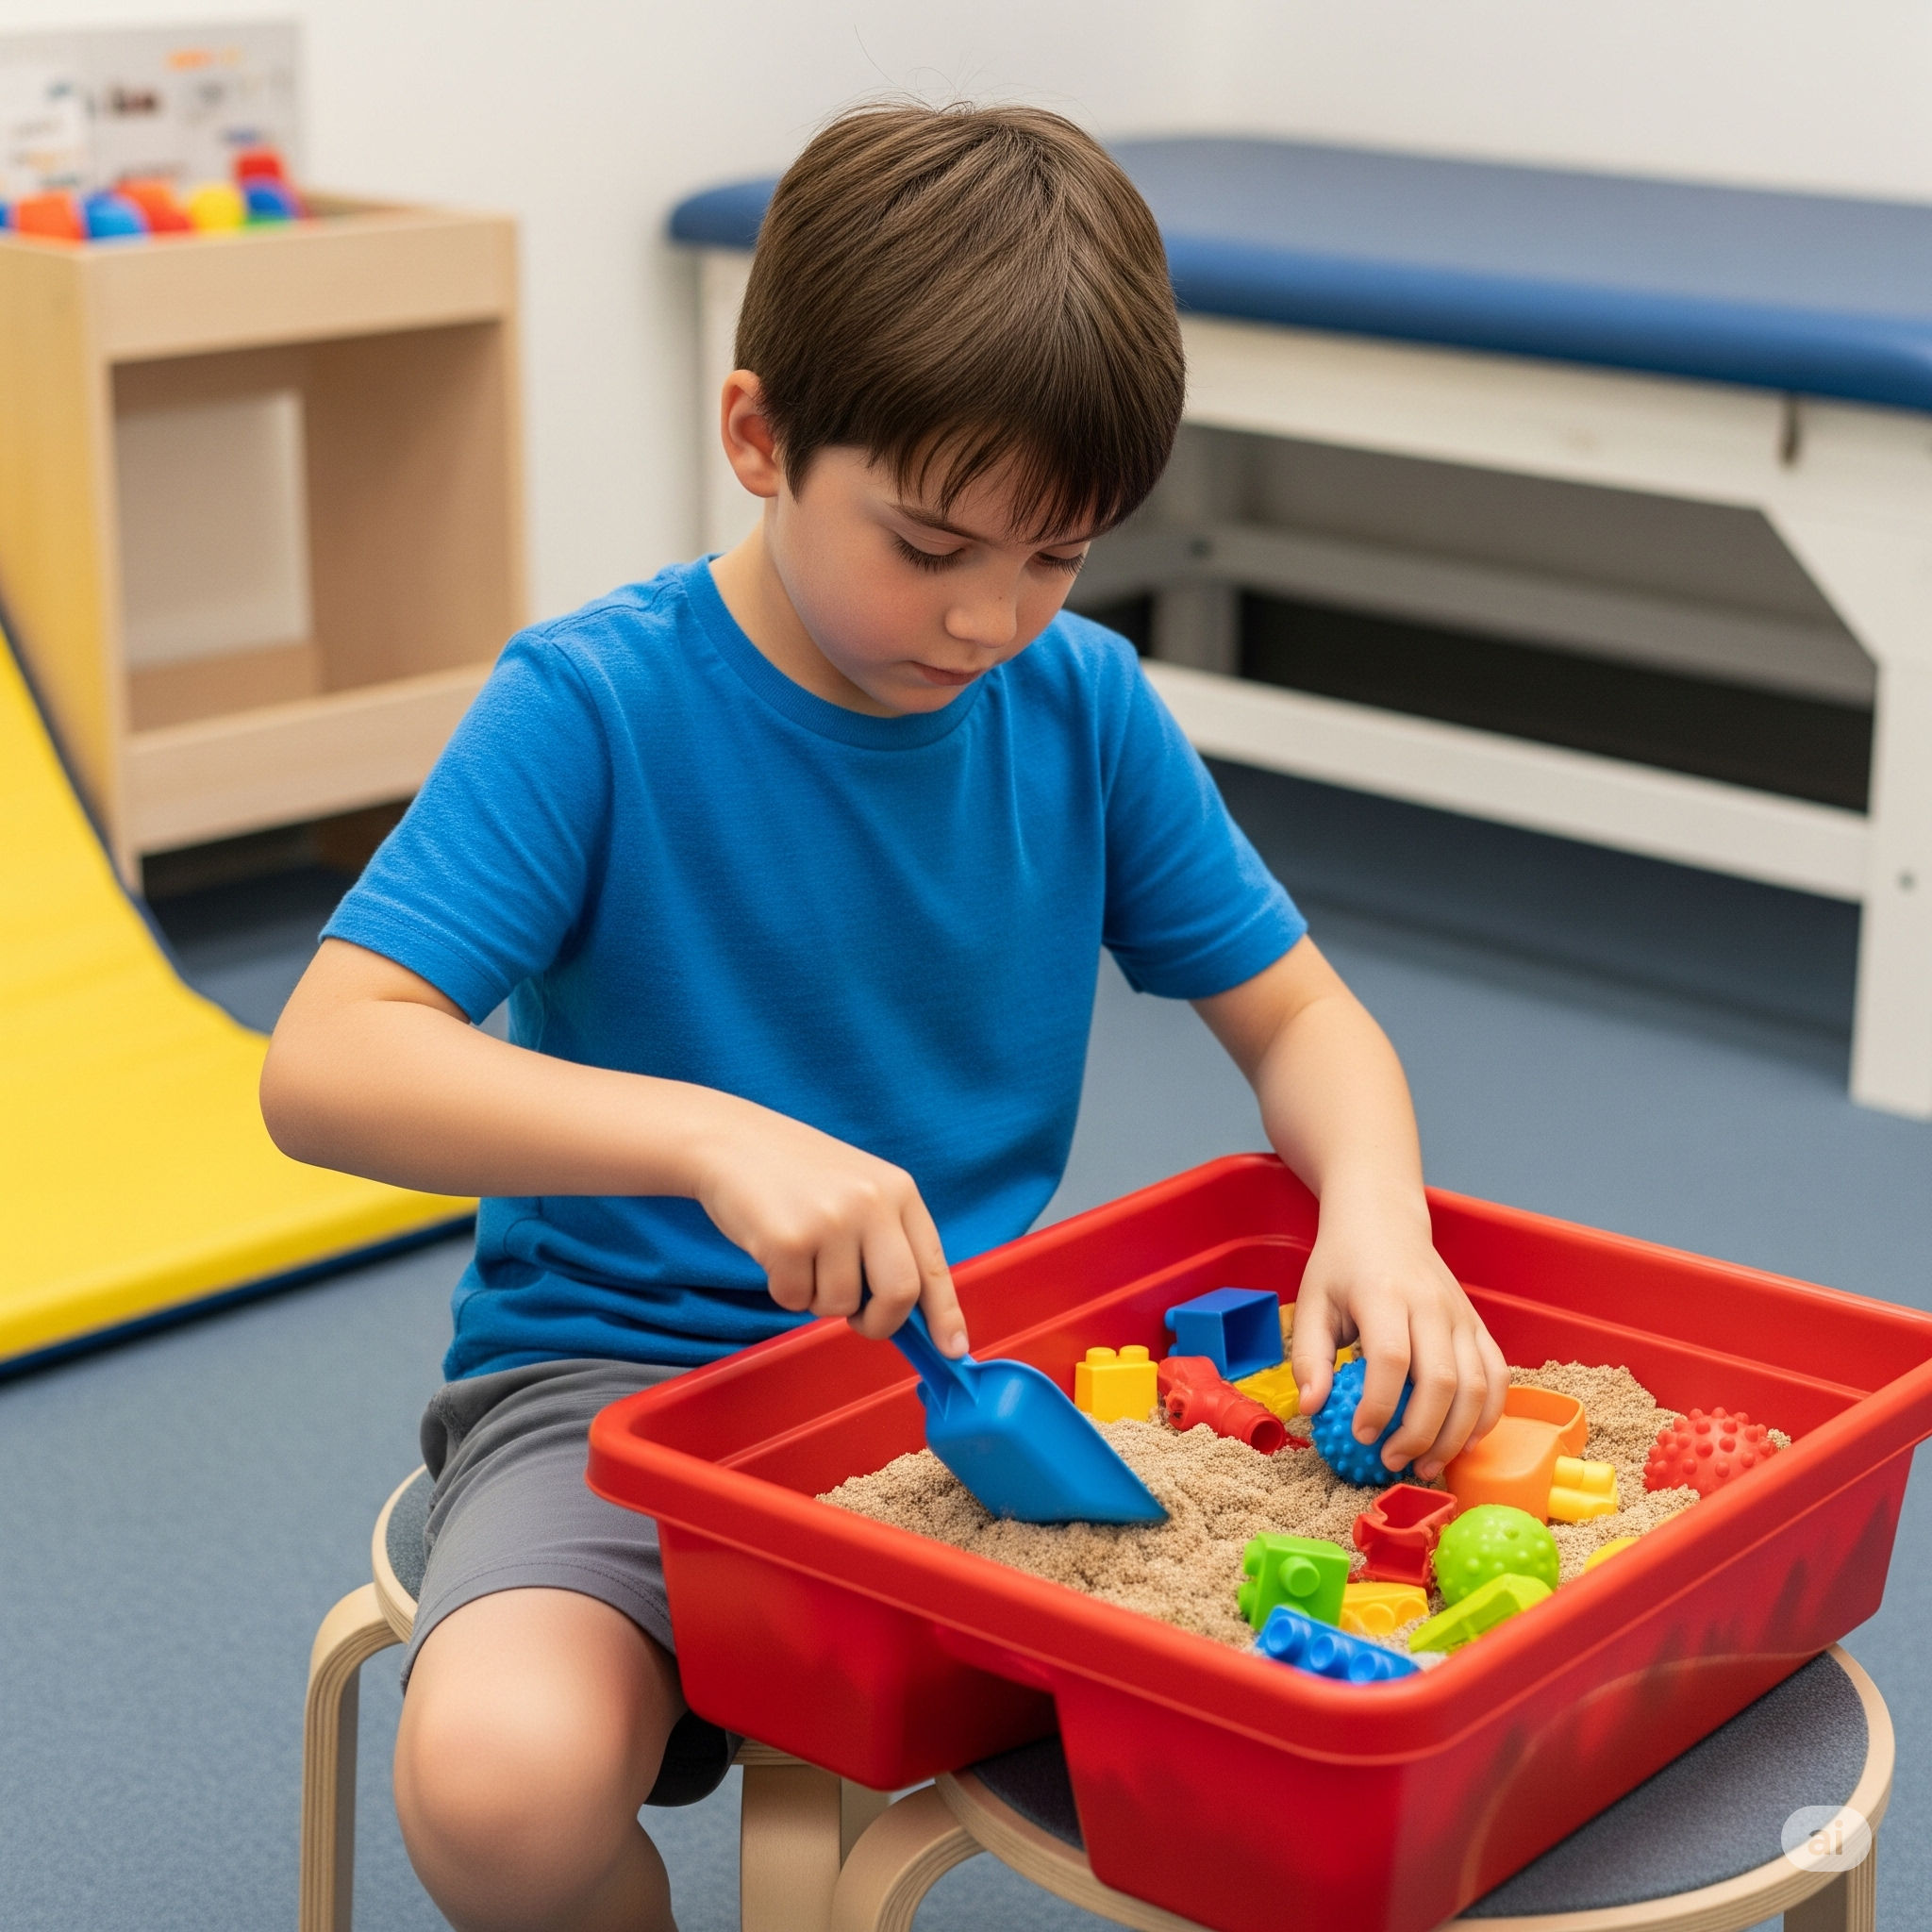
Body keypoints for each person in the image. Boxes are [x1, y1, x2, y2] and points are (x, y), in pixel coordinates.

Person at [262, 101, 1508, 1932]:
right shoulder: (594, 707)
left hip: (988, 1380)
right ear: (758, 437)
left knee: (1387, 1708)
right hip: (628, 1394)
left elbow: (1306, 1020)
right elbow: (325, 1060)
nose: (990, 615)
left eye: (1057, 554)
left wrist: (1379, 1218)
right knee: (499, 1786)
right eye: (930, 544)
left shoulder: (1081, 706)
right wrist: (707, 1131)